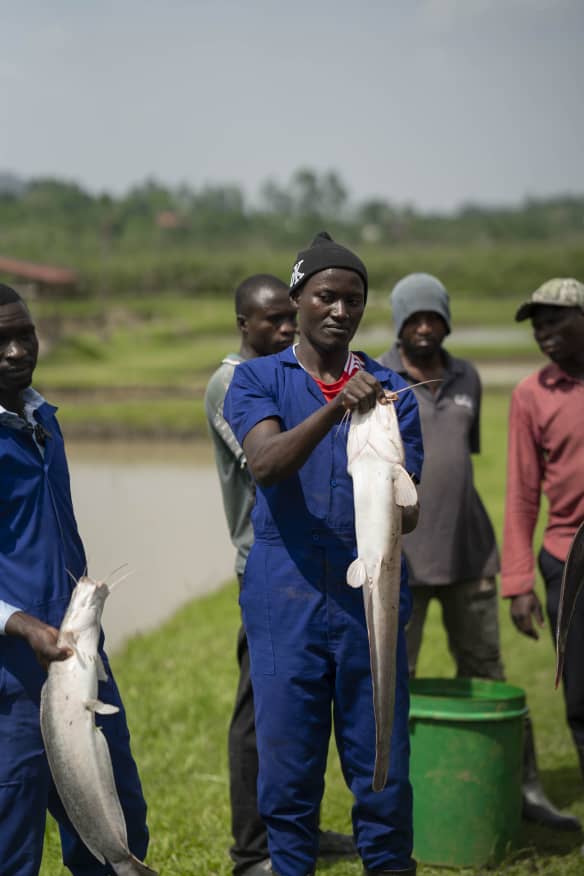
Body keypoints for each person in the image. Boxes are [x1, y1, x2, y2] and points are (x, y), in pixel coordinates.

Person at [224, 233, 423, 876]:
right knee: (289, 775)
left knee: (381, 771)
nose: (340, 311)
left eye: (354, 300)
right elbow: (266, 462)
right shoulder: (255, 379)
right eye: (326, 297)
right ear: (297, 299)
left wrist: (396, 482)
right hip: (285, 595)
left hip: (371, 593)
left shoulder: (394, 390)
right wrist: (337, 407)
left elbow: (410, 509)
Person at [378, 272, 581, 831]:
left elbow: (461, 457)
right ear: (398, 323)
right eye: (413, 318)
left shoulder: (467, 375)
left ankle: (524, 788)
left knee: (489, 673)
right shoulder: (378, 378)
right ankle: (396, 801)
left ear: (446, 319)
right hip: (405, 559)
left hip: (470, 554)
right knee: (398, 679)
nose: (424, 327)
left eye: (434, 317)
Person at [205, 274, 355, 876]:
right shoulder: (234, 382)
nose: (286, 329)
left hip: (308, 567)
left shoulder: (286, 376)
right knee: (259, 714)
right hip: (265, 568)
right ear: (244, 324)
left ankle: (300, 830)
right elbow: (275, 462)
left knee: (304, 709)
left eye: (289, 318)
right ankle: (251, 850)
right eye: (272, 321)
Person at [0, 283, 151, 875]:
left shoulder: (42, 419)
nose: (16, 351)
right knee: (13, 835)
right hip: (13, 674)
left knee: (117, 823)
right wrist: (21, 624)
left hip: (77, 656)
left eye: (24, 335)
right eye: (0, 340)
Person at [502, 277, 584, 782]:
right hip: (568, 560)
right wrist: (517, 583)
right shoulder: (531, 394)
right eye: (537, 325)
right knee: (582, 696)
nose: (544, 332)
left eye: (555, 319)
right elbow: (521, 494)